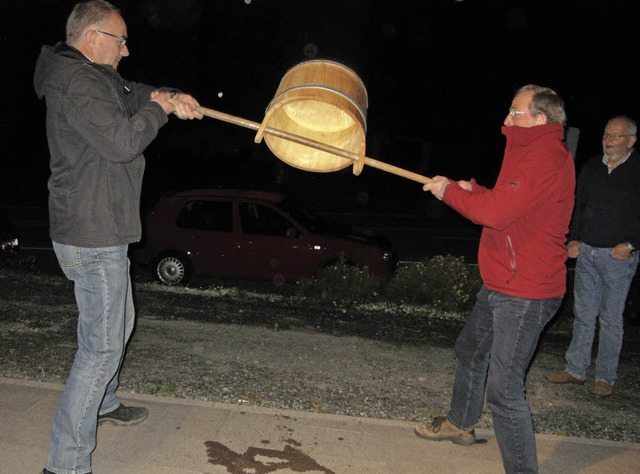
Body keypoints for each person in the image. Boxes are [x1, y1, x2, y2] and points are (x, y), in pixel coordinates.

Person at [33, 1, 203, 473]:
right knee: (101, 348)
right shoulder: (77, 82)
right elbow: (124, 141)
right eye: (120, 40)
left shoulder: (91, 74)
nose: (127, 50)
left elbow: (132, 94)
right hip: (93, 233)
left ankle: (103, 402)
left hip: (100, 225)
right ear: (92, 39)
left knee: (118, 324)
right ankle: (65, 463)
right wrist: (161, 111)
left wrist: (169, 94)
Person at [415, 85, 575, 474]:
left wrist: (450, 193)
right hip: (504, 281)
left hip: (525, 291)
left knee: (504, 392)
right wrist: (475, 190)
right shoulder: (526, 149)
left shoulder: (544, 157)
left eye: (515, 112)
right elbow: (514, 205)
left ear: (541, 118)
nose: (507, 119)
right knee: (470, 350)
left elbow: (497, 214)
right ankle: (461, 423)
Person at [546, 116, 639, 397]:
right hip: (587, 251)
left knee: (610, 319)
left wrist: (632, 245)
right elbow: (578, 204)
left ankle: (605, 376)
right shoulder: (591, 167)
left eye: (616, 136)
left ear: (631, 140)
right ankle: (575, 370)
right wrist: (573, 237)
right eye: (606, 134)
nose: (608, 140)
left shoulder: (637, 169)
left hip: (618, 257)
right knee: (583, 314)